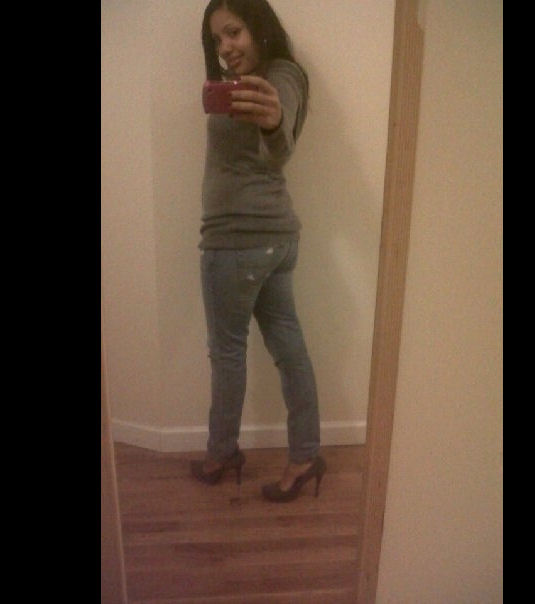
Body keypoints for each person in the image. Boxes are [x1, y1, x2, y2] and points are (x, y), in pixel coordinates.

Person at [190, 0, 325, 503]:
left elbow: (280, 134)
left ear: (258, 26)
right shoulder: (259, 78)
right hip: (275, 240)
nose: (226, 46)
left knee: (227, 353)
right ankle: (305, 456)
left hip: (237, 242)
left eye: (234, 32)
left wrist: (273, 124)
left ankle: (221, 453)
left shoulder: (279, 76)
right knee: (290, 351)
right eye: (217, 39)